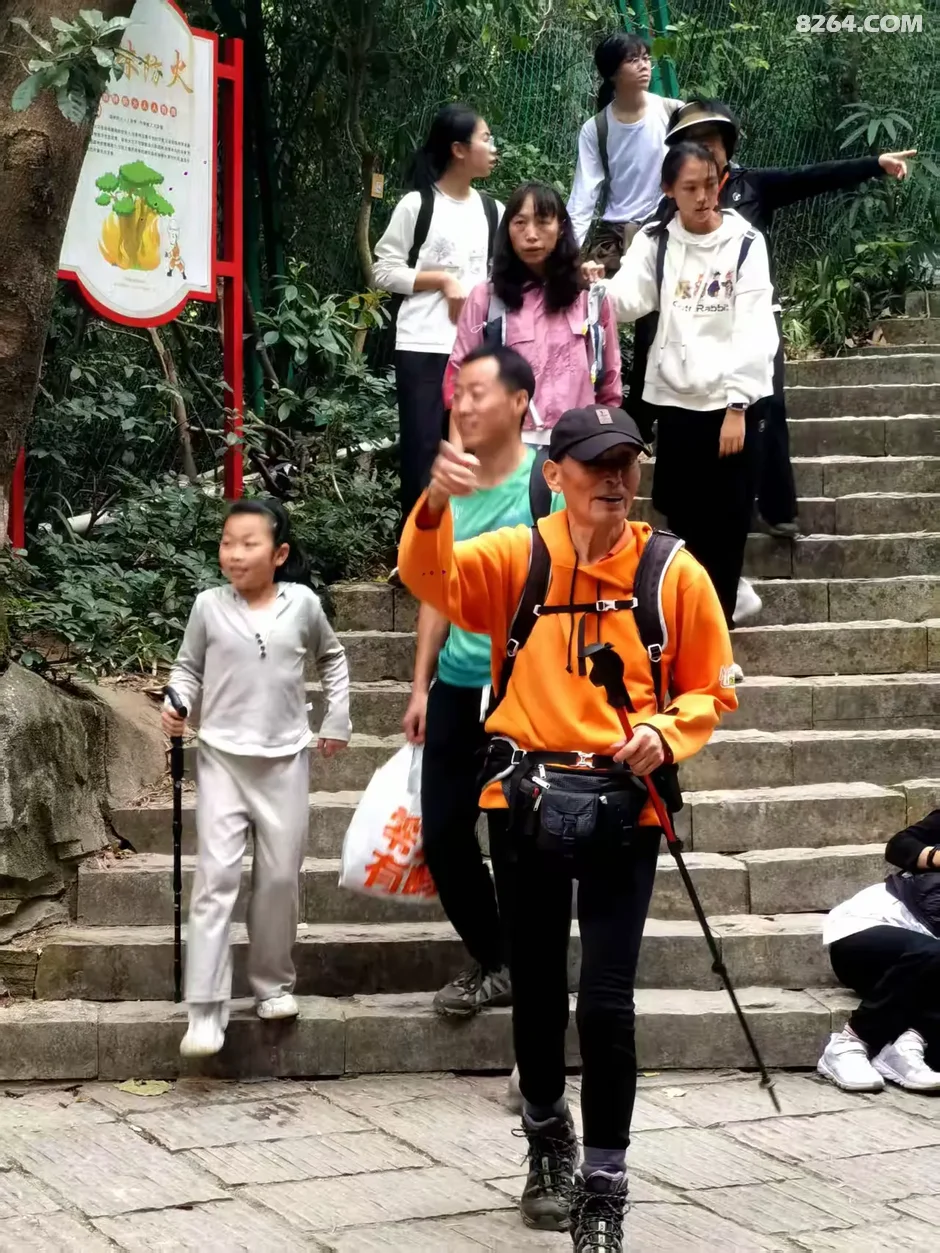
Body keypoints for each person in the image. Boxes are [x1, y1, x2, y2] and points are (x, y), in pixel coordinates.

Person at [398, 404, 737, 1250]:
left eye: (626, 461)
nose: (614, 478)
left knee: (609, 1003)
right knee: (541, 988)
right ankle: (548, 1136)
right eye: (595, 464)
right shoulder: (518, 555)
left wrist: (666, 731)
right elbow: (430, 577)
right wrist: (433, 505)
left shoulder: (672, 571)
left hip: (627, 805)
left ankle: (605, 1186)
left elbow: (711, 686)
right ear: (554, 475)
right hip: (525, 804)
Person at [652, 98, 915, 540]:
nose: (706, 149)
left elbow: (811, 176)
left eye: (712, 141)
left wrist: (874, 164)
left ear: (727, 146)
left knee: (767, 405)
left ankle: (777, 508)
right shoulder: (673, 207)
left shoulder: (752, 185)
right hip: (698, 330)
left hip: (755, 319)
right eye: (695, 142)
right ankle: (699, 504)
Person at [402, 343, 560, 1020]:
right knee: (442, 836)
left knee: (515, 842)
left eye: (478, 392)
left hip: (522, 692)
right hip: (458, 685)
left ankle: (525, 970)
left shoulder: (547, 485)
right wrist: (420, 684)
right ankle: (498, 958)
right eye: (458, 393)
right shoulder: (449, 488)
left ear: (520, 403)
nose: (462, 405)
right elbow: (434, 590)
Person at [163, 499, 351, 1057]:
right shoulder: (207, 606)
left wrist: (337, 717)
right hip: (221, 758)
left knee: (279, 879)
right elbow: (187, 667)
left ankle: (273, 986)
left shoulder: (303, 605)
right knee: (215, 878)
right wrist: (176, 701)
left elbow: (333, 658)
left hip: (285, 760)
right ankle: (205, 1009)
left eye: (249, 543)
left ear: (280, 553)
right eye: (227, 543)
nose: (235, 554)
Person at [604, 143, 778, 640]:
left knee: (727, 525)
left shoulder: (746, 243)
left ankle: (719, 639)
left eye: (710, 185)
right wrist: (588, 290)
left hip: (732, 408)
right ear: (669, 191)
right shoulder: (656, 241)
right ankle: (683, 635)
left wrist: (738, 405)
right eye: (690, 188)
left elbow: (754, 328)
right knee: (681, 523)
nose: (703, 198)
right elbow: (627, 299)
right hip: (677, 404)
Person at [373, 104, 502, 525]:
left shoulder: (494, 211)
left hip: (477, 350)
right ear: (459, 149)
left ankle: (469, 541)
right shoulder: (417, 205)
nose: (493, 148)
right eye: (486, 139)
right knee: (423, 451)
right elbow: (383, 270)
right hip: (423, 344)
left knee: (477, 448)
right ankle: (417, 545)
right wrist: (443, 281)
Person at [445, 181, 622, 445]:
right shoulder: (487, 297)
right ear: (507, 230)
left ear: (561, 227)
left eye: (542, 222)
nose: (531, 234)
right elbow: (460, 376)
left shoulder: (589, 298)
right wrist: (460, 454)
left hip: (577, 444)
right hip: (505, 446)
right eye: (520, 223)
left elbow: (610, 381)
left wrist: (605, 443)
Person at [818, 808, 940, 1094]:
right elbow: (899, 846)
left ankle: (907, 1046)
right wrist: (935, 857)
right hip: (866, 932)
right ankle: (849, 1043)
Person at [567, 31, 682, 274]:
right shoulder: (597, 129)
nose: (644, 65)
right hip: (614, 238)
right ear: (612, 73)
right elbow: (582, 199)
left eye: (646, 58)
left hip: (666, 227)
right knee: (600, 294)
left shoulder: (673, 113)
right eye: (633, 60)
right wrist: (564, 256)